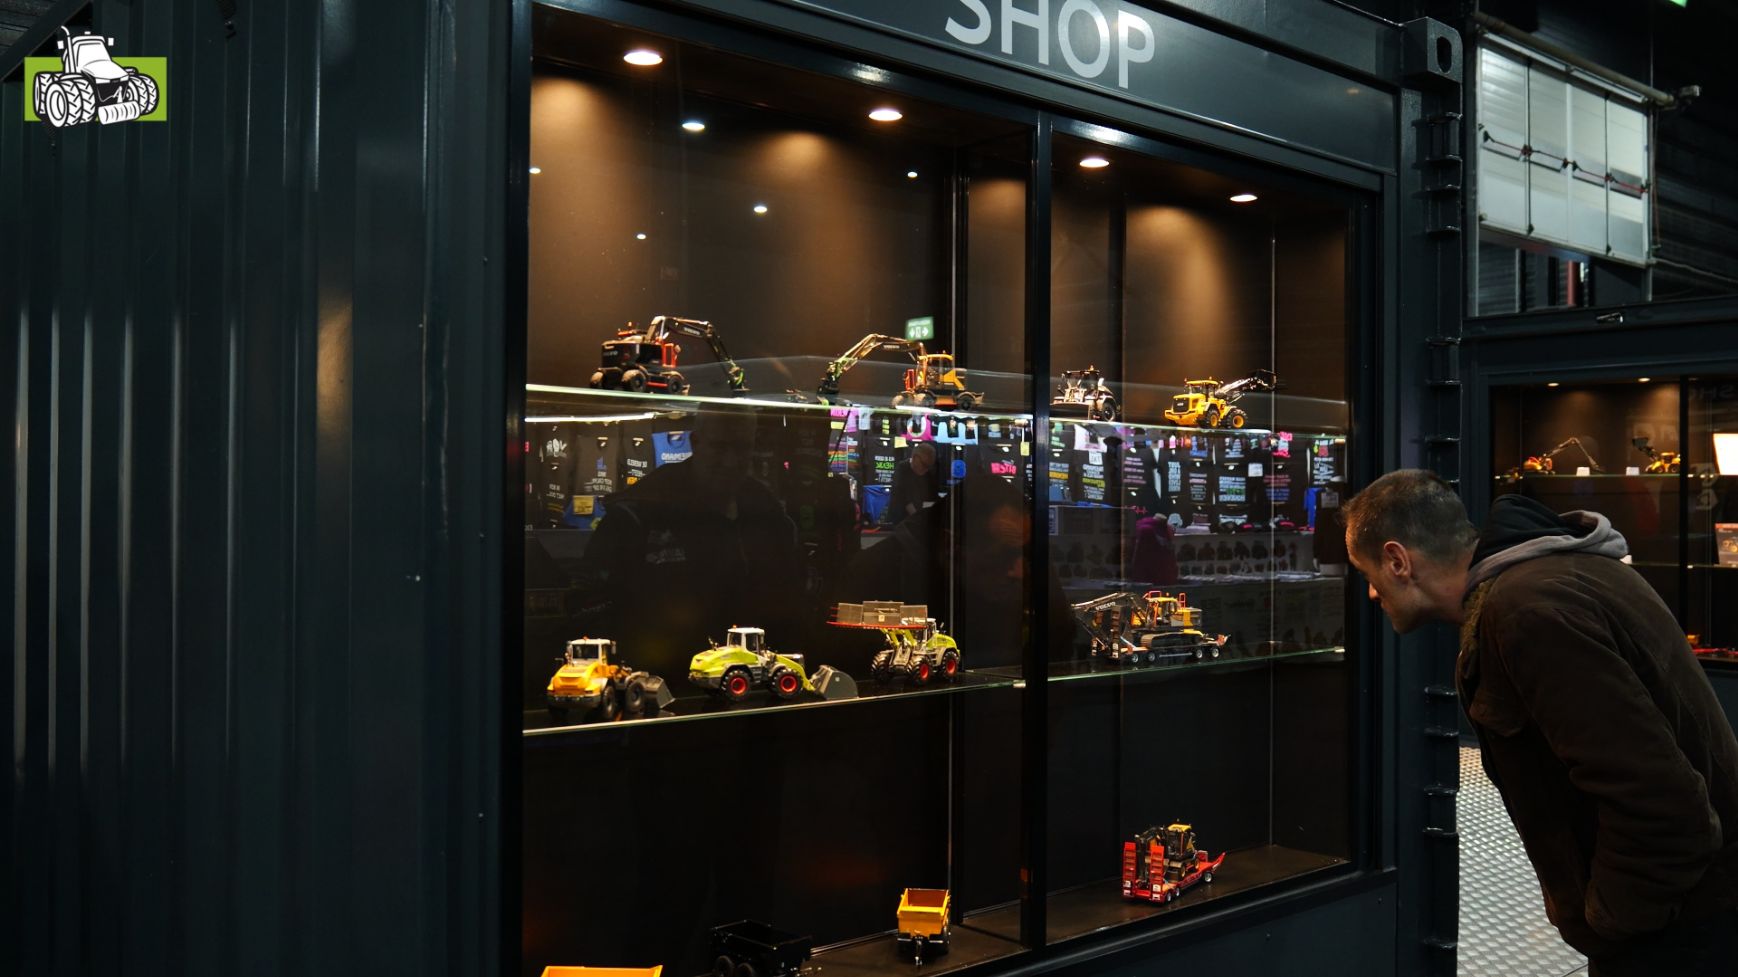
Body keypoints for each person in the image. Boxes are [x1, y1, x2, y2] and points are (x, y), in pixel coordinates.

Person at [1342, 469, 1738, 977]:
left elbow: (1661, 803)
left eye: (1367, 573)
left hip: (1682, 935)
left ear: (1398, 560)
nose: (1372, 594)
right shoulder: (1554, 578)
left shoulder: (1525, 612)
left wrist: (1610, 923)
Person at [885, 441, 939, 525]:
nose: (926, 469)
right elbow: (901, 496)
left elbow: (932, 497)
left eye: (929, 466)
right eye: (924, 464)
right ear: (915, 457)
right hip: (900, 521)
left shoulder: (930, 473)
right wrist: (917, 517)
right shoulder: (902, 469)